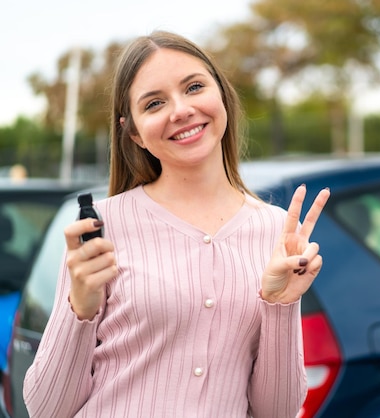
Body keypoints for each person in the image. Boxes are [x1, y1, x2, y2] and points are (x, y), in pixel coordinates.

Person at [23, 30, 330, 418]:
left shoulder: (276, 231)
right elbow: (45, 409)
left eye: (195, 87)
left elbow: (278, 412)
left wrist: (281, 304)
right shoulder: (102, 229)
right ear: (134, 132)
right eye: (154, 103)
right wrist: (79, 307)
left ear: (221, 94)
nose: (181, 110)